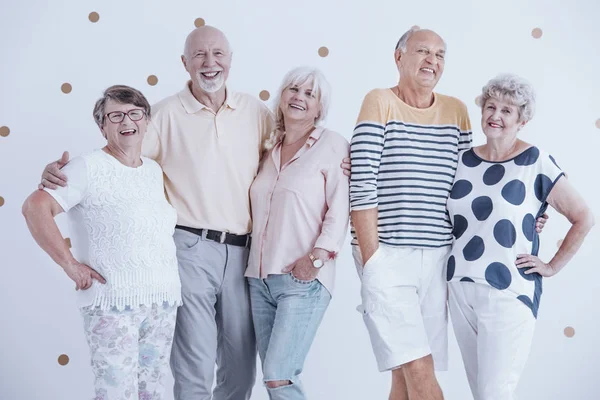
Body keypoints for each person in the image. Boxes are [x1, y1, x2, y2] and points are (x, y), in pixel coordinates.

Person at [40, 26, 275, 400]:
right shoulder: (163, 114)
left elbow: (284, 158)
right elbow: (119, 156)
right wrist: (61, 177)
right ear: (184, 63)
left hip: (244, 251)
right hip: (189, 247)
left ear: (230, 60)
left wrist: (329, 158)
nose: (209, 63)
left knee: (241, 369)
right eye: (199, 55)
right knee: (194, 366)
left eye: (218, 54)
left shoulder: (257, 112)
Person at [22, 85, 182, 399]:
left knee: (152, 391)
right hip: (112, 304)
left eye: (135, 113)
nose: (127, 121)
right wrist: (71, 266)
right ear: (102, 126)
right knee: (115, 392)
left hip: (162, 301)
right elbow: (34, 207)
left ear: (146, 120)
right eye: (116, 115)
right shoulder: (87, 167)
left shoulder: (153, 171)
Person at [446, 74, 595, 400]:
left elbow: (583, 217)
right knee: (480, 393)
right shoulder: (461, 160)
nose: (495, 116)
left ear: (522, 120)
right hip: (458, 287)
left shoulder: (535, 161)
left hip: (508, 289)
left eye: (507, 111)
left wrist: (552, 266)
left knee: (495, 394)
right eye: (490, 106)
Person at [349, 27, 472, 400]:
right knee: (417, 366)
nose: (431, 61)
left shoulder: (456, 110)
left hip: (438, 257)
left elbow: (470, 183)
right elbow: (362, 182)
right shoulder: (379, 101)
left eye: (439, 54)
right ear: (398, 57)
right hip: (387, 253)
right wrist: (373, 261)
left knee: (410, 371)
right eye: (422, 51)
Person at [245, 67, 349, 399]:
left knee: (279, 376)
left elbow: (340, 207)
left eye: (309, 94)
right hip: (258, 280)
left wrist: (317, 258)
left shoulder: (333, 145)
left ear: (320, 108)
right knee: (274, 376)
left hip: (301, 279)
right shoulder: (267, 149)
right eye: (293, 89)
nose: (299, 98)